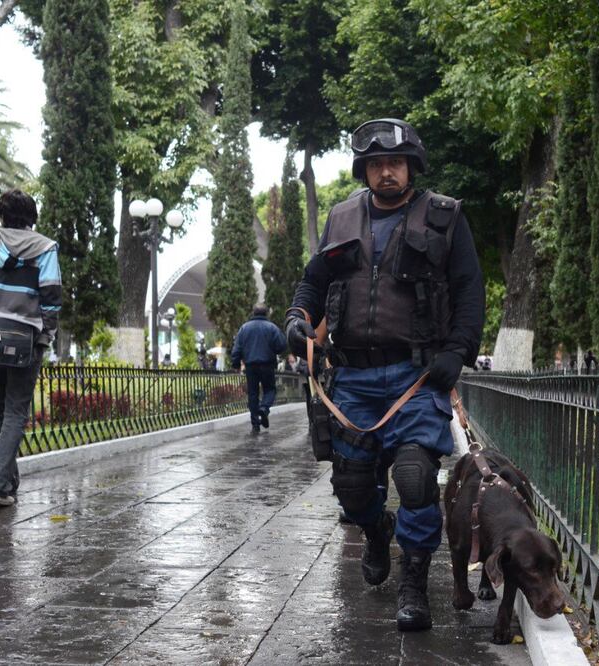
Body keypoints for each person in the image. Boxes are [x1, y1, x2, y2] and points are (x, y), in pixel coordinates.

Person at [285, 118, 485, 632]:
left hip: (416, 376)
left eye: (395, 163)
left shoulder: (444, 218)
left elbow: (469, 290)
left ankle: (414, 581)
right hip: (352, 378)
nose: (386, 172)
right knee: (351, 488)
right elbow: (314, 282)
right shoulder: (342, 217)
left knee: (416, 477)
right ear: (365, 170)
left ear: (411, 167)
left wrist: (458, 350)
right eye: (376, 165)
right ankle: (377, 533)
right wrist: (297, 319)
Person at [0, 189, 61, 507]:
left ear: (1, 214)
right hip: (28, 340)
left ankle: (6, 484)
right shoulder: (46, 248)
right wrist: (45, 334)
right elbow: (51, 299)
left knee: (0, 412)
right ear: (31, 217)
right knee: (16, 412)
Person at [230, 305, 287, 433]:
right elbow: (282, 345)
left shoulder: (244, 328)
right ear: (266, 313)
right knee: (270, 390)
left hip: (250, 366)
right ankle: (264, 408)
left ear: (253, 313)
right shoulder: (272, 327)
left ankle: (255, 423)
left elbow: (237, 348)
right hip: (267, 364)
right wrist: (274, 350)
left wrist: (236, 364)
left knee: (253, 393)